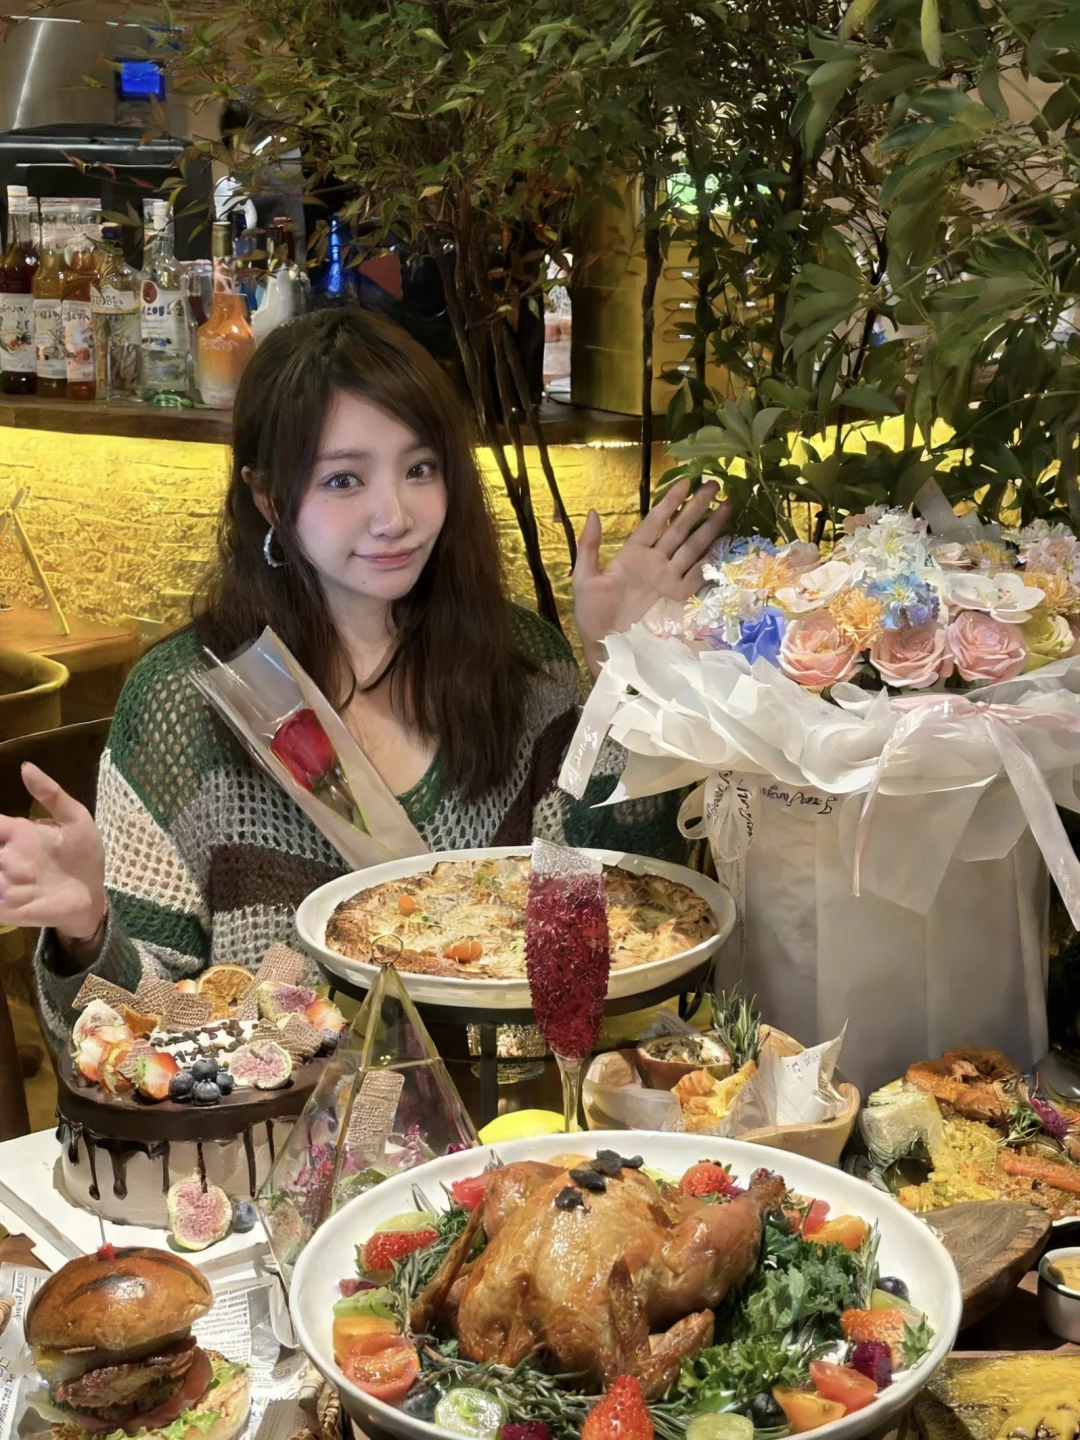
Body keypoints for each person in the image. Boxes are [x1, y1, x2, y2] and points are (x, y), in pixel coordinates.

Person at [0, 309, 728, 1051]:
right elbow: (129, 1039)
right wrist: (88, 931)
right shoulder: (185, 700)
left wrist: (627, 677)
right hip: (291, 1119)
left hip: (517, 1112)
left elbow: (627, 931)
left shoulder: (523, 665)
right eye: (343, 479)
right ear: (268, 498)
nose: (394, 517)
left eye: (420, 469)